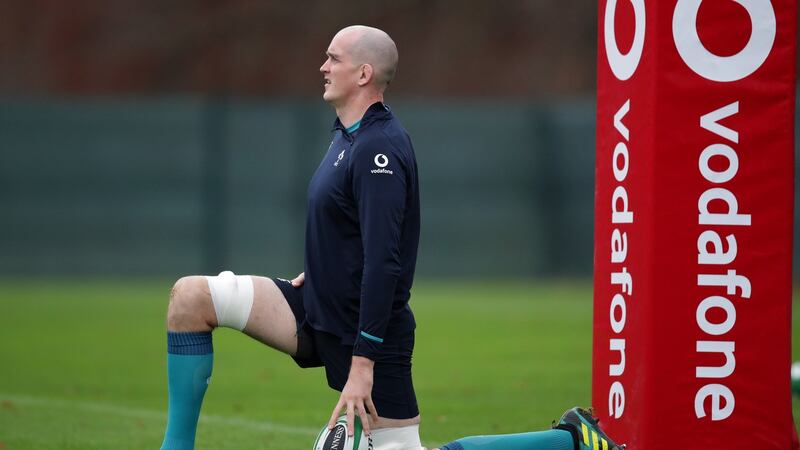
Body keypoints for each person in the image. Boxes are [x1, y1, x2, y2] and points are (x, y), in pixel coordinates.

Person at [159, 25, 424, 450]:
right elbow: (347, 227)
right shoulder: (346, 134)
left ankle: (565, 439)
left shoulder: (381, 150)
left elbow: (384, 262)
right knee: (191, 298)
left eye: (334, 58)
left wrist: (362, 363)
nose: (323, 66)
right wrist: (324, 266)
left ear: (363, 74)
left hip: (368, 335)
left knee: (405, 449)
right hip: (314, 306)